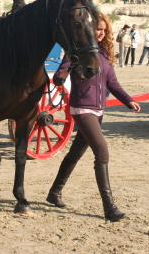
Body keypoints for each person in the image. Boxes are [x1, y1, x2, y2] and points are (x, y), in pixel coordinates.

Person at [46, 12, 141, 222]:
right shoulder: (75, 51)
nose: (100, 33)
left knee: (75, 154)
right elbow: (61, 74)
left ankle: (54, 193)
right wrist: (63, 74)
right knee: (102, 151)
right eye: (97, 29)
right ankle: (109, 207)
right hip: (82, 109)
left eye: (103, 30)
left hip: (98, 111)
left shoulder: (105, 55)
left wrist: (128, 100)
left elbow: (112, 83)